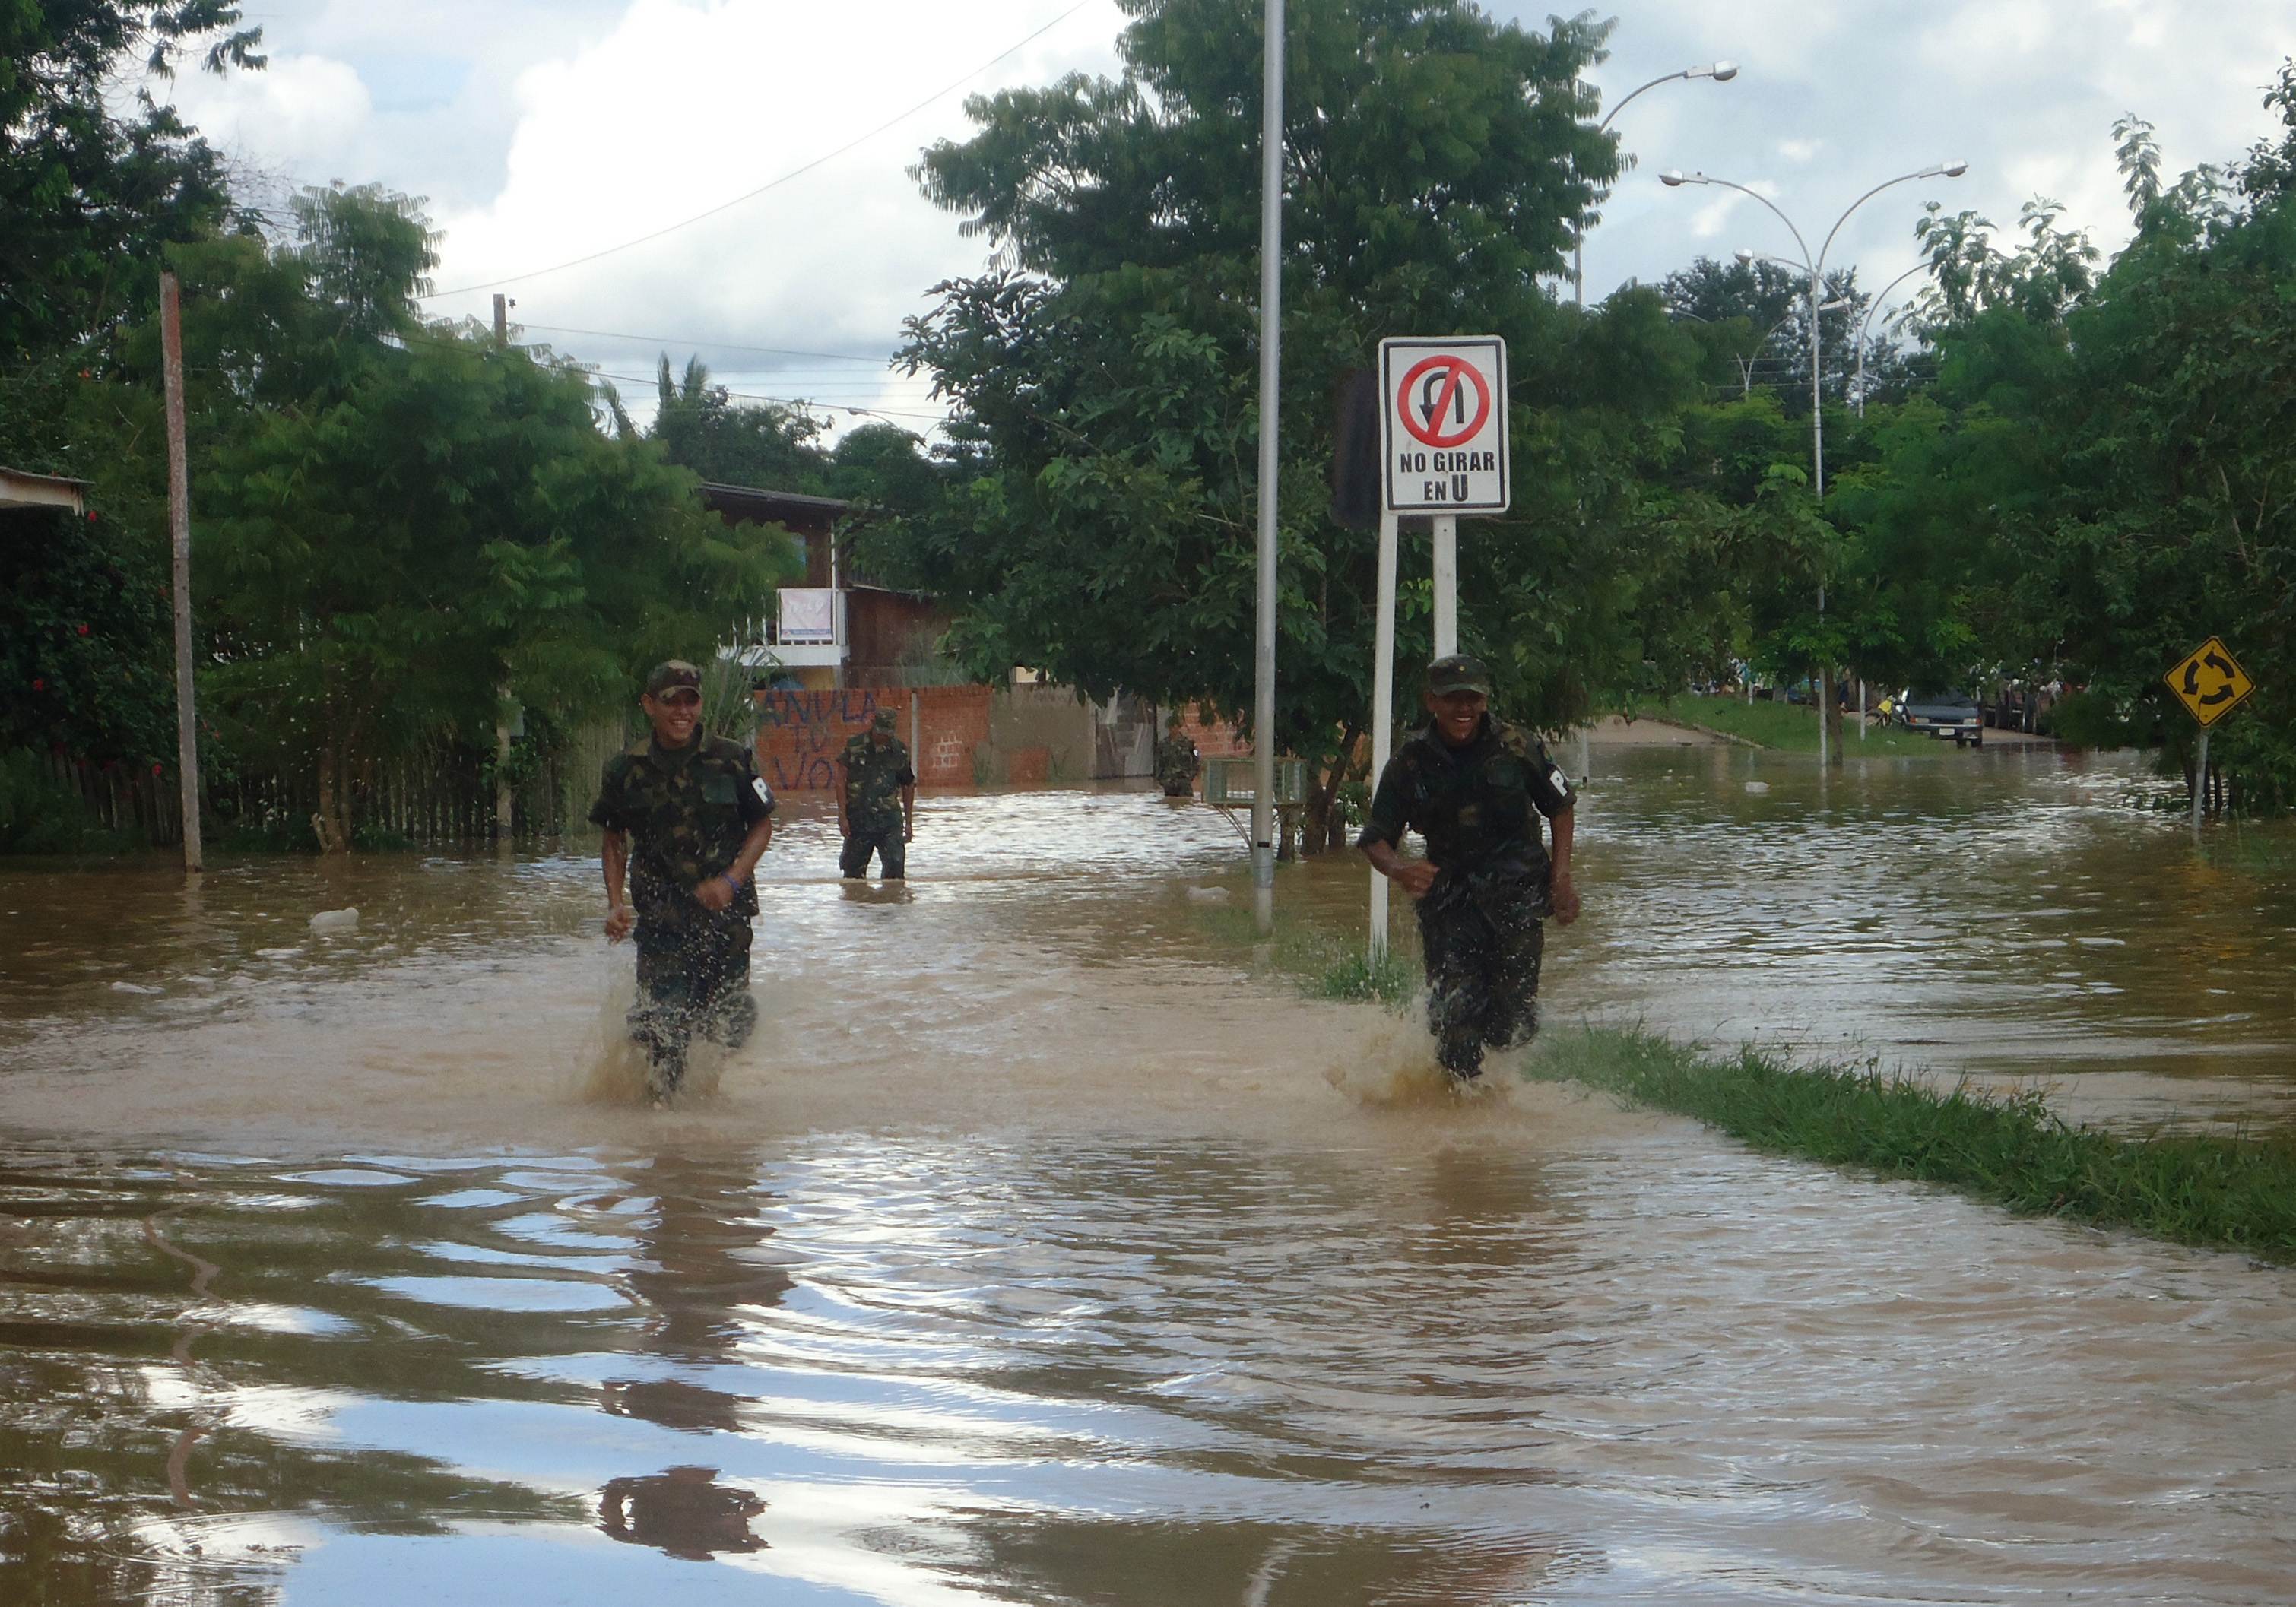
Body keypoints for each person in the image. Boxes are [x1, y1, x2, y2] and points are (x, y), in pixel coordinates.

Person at [1358, 654, 1581, 1082]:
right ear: (1432, 702)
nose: (1464, 709)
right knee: (1454, 1021)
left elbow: (1562, 806)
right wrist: (1400, 869)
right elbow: (1374, 838)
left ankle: (1503, 1091)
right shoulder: (1410, 763)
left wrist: (1562, 878)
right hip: (1451, 904)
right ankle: (1461, 1109)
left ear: (1485, 700)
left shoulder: (1519, 745)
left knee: (1510, 1022)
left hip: (1517, 898)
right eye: (1453, 699)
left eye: (1473, 699)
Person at [590, 660, 776, 1101]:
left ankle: (702, 1115)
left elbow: (763, 825)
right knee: (663, 1025)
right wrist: (615, 903)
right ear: (649, 705)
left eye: (690, 700)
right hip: (662, 920)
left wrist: (731, 880)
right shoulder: (625, 770)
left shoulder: (731, 758)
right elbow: (613, 839)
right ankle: (665, 1125)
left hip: (725, 920)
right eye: (671, 701)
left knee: (725, 1024)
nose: (682, 711)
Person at [838, 707, 915, 880]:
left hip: (889, 822)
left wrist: (909, 822)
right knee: (853, 876)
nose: (883, 737)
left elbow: (908, 785)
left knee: (895, 873)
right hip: (858, 821)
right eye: (880, 732)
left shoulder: (899, 751)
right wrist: (842, 817)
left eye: (887, 733)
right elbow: (840, 781)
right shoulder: (855, 747)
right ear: (873, 726)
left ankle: (890, 906)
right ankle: (860, 906)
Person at [1154, 712, 1202, 798]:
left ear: (1179, 727)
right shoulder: (1163, 745)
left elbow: (1197, 758)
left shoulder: (1188, 743)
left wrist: (1191, 776)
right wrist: (1161, 779)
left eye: (1175, 726)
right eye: (1171, 727)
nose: (1173, 729)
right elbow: (1158, 762)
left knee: (1186, 804)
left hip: (1184, 781)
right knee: (1170, 804)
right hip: (1169, 782)